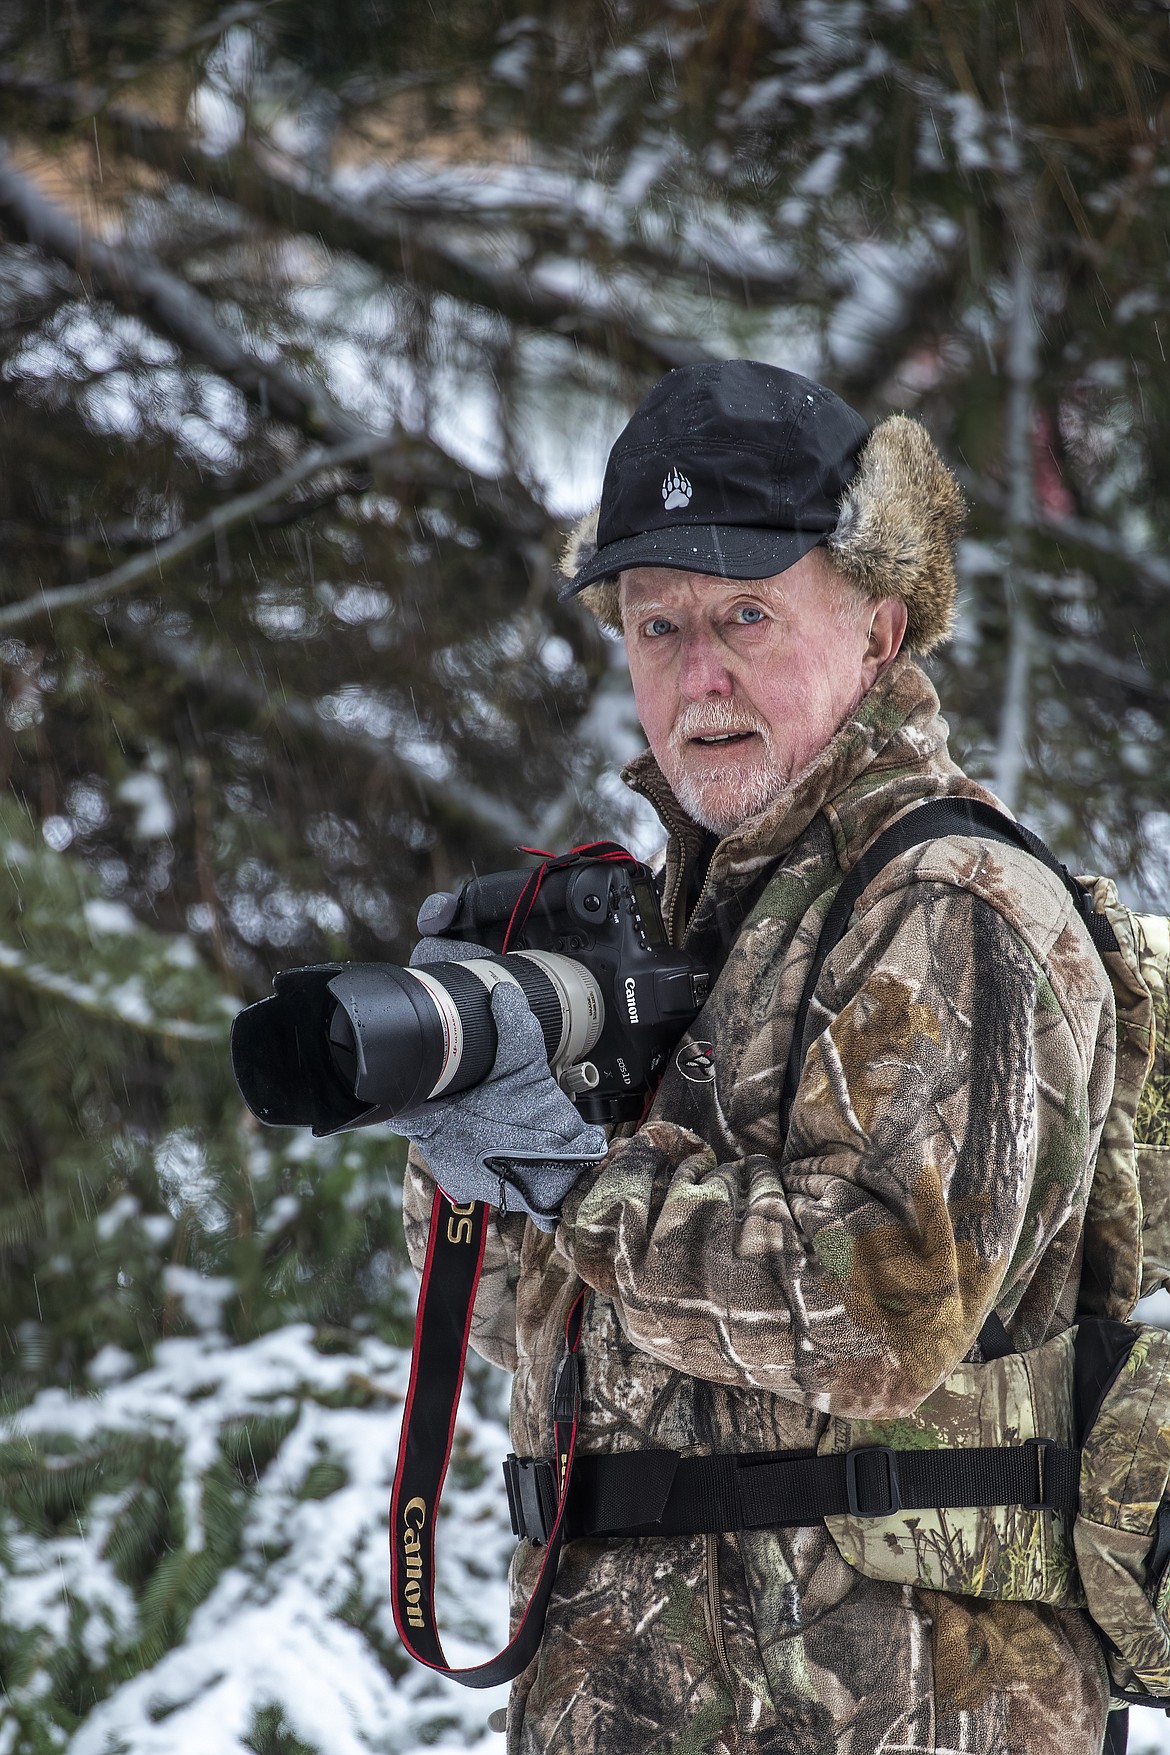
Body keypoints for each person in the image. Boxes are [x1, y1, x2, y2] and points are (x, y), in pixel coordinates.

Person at [400, 360, 1118, 1754]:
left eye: (746, 614)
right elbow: (534, 1340)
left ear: (880, 624)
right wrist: (465, 1145)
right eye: (655, 624)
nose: (698, 671)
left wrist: (573, 1180)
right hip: (632, 1700)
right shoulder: (671, 931)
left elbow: (880, 1309)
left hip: (901, 1712)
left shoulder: (945, 903)